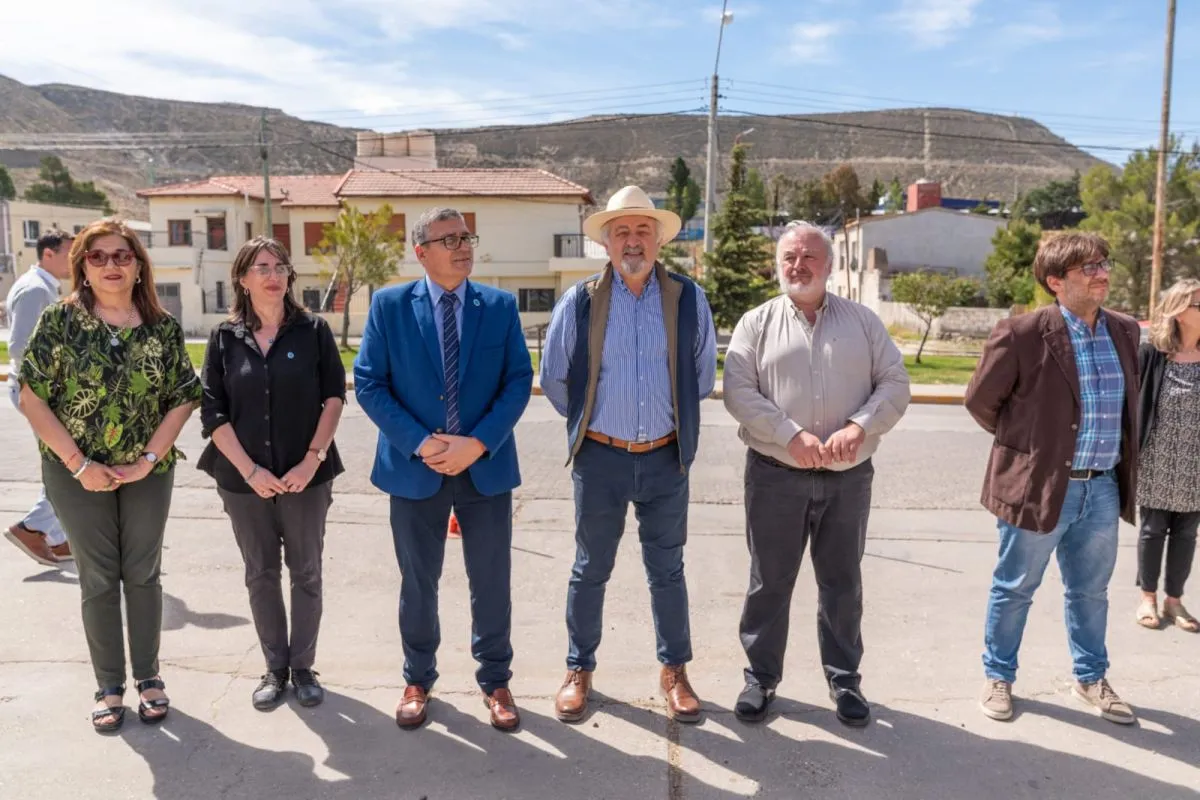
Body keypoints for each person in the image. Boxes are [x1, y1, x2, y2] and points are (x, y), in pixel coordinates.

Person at [540, 185, 717, 724]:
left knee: (668, 570)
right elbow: (554, 379)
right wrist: (595, 425)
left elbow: (702, 377)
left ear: (659, 240)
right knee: (590, 568)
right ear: (607, 242)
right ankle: (579, 670)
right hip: (601, 460)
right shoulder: (580, 301)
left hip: (666, 458)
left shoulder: (688, 299)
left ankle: (675, 672)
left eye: (643, 230)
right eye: (622, 232)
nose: (633, 241)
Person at [722, 221, 910, 727]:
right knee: (769, 582)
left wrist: (860, 425)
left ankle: (845, 680)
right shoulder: (755, 323)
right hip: (775, 475)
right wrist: (789, 435)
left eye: (808, 257)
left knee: (842, 583)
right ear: (777, 264)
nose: (798, 266)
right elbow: (738, 390)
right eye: (789, 257)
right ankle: (760, 679)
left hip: (848, 478)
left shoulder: (864, 322)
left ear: (829, 265)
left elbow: (895, 382)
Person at [17, 218, 201, 733]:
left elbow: (183, 397)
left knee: (142, 573)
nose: (111, 265)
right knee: (98, 577)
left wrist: (147, 460)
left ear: (138, 264)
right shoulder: (60, 321)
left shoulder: (162, 326)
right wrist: (80, 464)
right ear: (82, 266)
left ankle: (148, 676)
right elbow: (32, 398)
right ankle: (109, 686)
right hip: (74, 473)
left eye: (122, 255)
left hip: (148, 471)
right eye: (97, 256)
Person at [354, 207, 532, 731]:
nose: (462, 246)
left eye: (466, 237)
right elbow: (369, 383)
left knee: (492, 580)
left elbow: (518, 381)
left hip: (484, 467)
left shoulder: (498, 305)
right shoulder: (389, 306)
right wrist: (422, 443)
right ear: (421, 252)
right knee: (418, 582)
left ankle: (496, 680)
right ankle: (417, 678)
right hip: (415, 469)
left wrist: (477, 444)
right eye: (448, 239)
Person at [966, 231, 1140, 725]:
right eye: (1089, 268)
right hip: (1039, 487)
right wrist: (1031, 451)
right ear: (1056, 281)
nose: (1102, 274)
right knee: (1015, 587)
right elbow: (981, 402)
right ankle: (998, 676)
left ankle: (1091, 677)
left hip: (1102, 486)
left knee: (1091, 592)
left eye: (1104, 264)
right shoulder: (1021, 333)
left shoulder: (1125, 330)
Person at [198, 236, 346, 710]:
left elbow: (334, 397)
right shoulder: (224, 338)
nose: (273, 275)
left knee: (306, 572)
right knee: (260, 573)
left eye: (280, 266)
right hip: (244, 483)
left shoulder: (313, 330)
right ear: (242, 278)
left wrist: (312, 459)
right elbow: (213, 414)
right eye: (262, 267)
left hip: (307, 477)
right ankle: (274, 668)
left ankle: (303, 668)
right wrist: (250, 472)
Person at [5, 229, 74, 566]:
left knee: (59, 461)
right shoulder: (35, 290)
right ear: (48, 254)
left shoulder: (41, 286)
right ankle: (32, 527)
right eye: (69, 253)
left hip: (38, 390)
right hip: (38, 392)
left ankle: (58, 540)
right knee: (68, 463)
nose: (74, 260)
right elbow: (20, 346)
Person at [1134, 278, 1200, 633]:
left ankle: (1174, 601)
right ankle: (1148, 597)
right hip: (1157, 457)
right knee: (1153, 529)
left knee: (1187, 534)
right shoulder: (1152, 354)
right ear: (1179, 312)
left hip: (1195, 461)